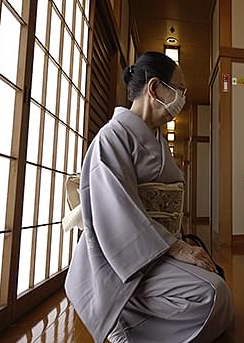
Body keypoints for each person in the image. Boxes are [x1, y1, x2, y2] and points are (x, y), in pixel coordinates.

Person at [65, 52, 233, 342]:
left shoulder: (156, 140)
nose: (182, 97)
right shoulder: (111, 137)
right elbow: (118, 214)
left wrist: (179, 247)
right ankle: (121, 319)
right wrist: (177, 248)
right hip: (121, 260)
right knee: (211, 295)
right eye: (179, 89)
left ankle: (137, 317)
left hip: (156, 250)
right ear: (155, 88)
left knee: (218, 285)